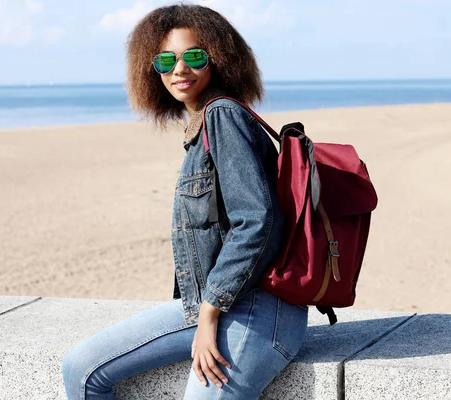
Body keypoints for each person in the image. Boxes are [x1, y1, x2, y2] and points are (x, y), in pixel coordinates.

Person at [62, 4, 308, 399]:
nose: (180, 69)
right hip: (211, 305)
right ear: (151, 68)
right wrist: (204, 311)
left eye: (194, 56)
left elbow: (256, 221)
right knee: (81, 369)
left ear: (219, 60)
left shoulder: (222, 116)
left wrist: (208, 316)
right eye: (165, 60)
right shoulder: (201, 127)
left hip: (259, 310)